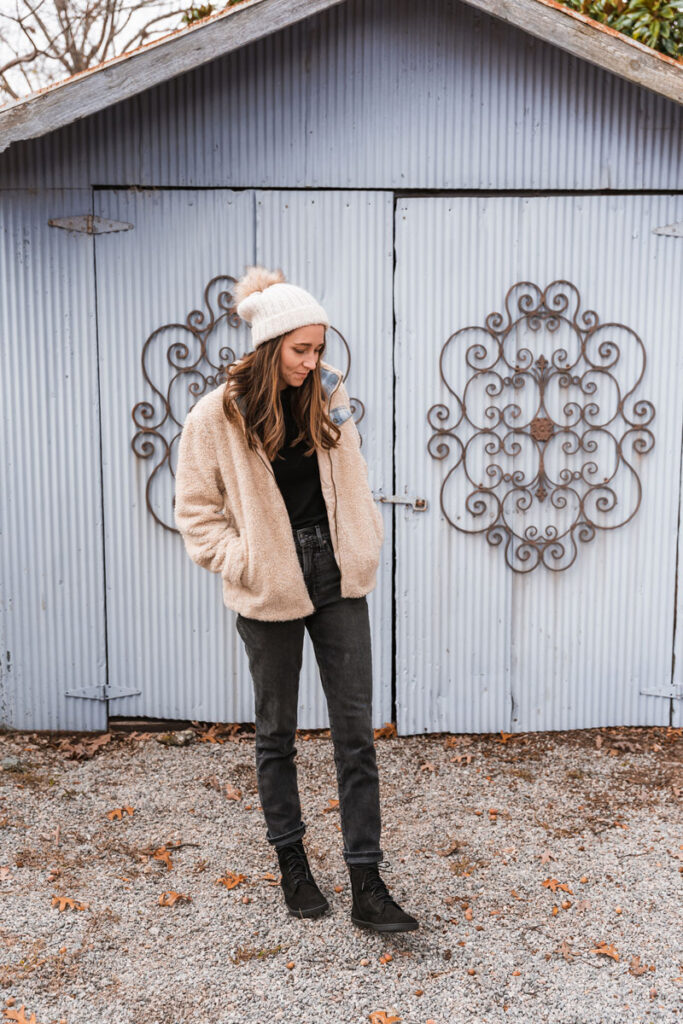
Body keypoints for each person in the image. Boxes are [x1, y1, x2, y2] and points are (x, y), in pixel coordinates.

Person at [174, 264, 418, 933]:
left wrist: (363, 537)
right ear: (267, 345)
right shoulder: (214, 416)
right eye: (299, 350)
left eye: (318, 349)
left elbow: (350, 476)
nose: (312, 362)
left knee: (354, 735)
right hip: (268, 581)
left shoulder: (325, 396)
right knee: (276, 734)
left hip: (335, 573)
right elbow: (196, 513)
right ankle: (292, 866)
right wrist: (244, 561)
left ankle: (367, 883)